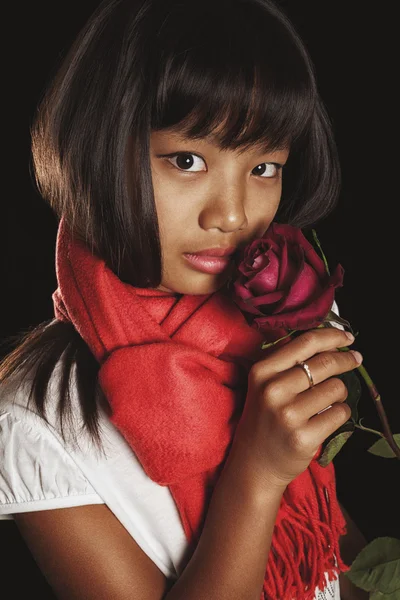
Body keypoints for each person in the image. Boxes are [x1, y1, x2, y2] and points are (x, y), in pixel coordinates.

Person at [0, 0, 369, 598]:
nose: (232, 214)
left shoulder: (276, 328)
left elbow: (337, 566)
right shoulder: (38, 423)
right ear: (99, 151)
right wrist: (257, 473)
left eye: (265, 167)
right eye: (188, 160)